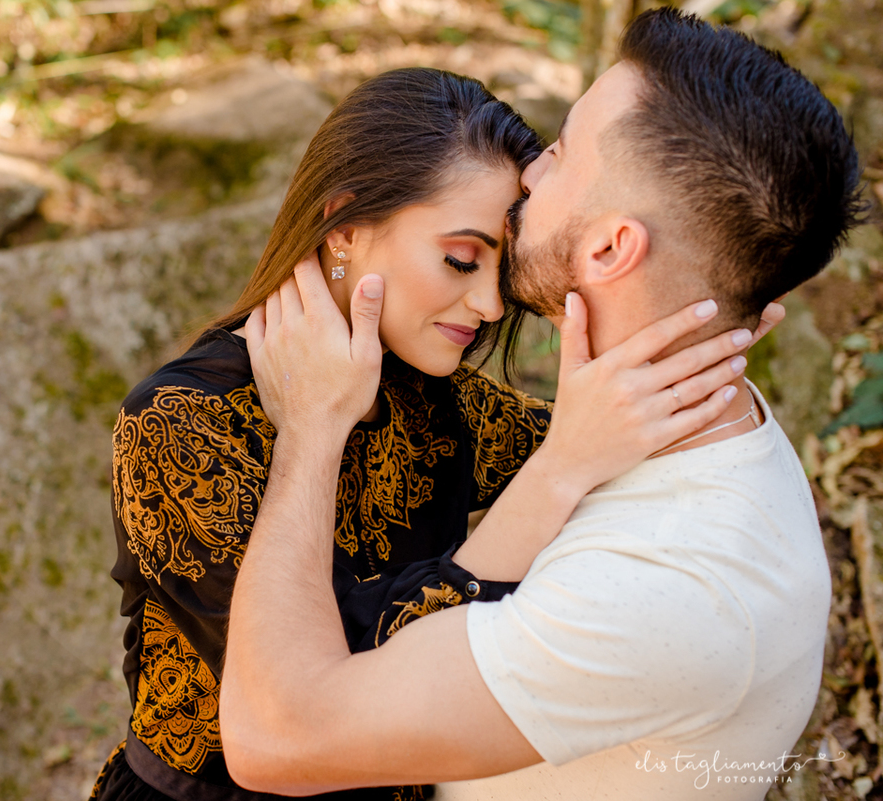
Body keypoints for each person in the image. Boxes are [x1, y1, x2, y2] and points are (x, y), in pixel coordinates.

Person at [220, 9, 864, 800]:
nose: (528, 174)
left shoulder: (672, 586)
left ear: (608, 249)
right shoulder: (690, 413)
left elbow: (274, 739)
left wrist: (313, 429)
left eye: (558, 156)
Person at [92, 63, 771, 801]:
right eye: (459, 258)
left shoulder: (433, 398)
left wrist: (702, 319)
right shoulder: (179, 424)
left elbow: (606, 431)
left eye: (499, 267)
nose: (486, 302)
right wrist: (316, 434)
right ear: (345, 226)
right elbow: (334, 680)